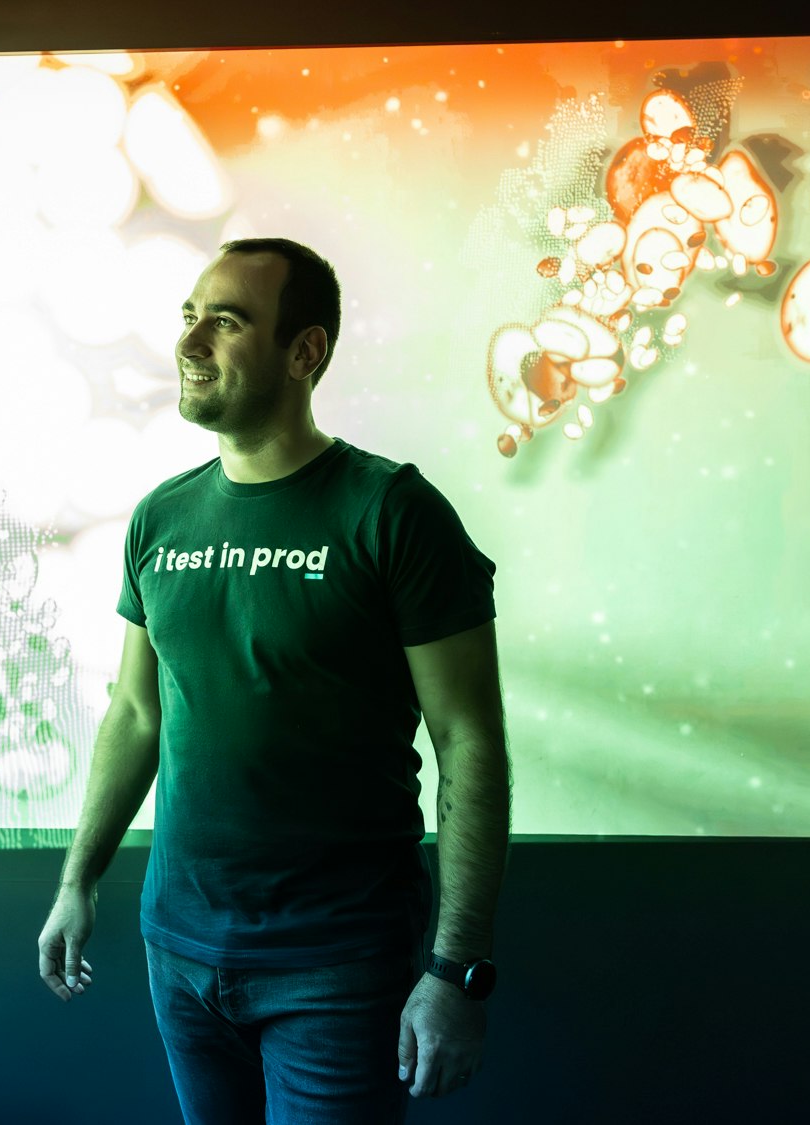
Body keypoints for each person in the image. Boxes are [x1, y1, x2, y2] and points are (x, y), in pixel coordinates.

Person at [36, 238, 510, 1124]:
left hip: (337, 964)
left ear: (305, 353)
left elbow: (470, 739)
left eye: (227, 319)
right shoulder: (160, 517)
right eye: (189, 314)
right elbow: (136, 713)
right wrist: (78, 880)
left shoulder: (392, 512)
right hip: (176, 951)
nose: (191, 340)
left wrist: (457, 971)